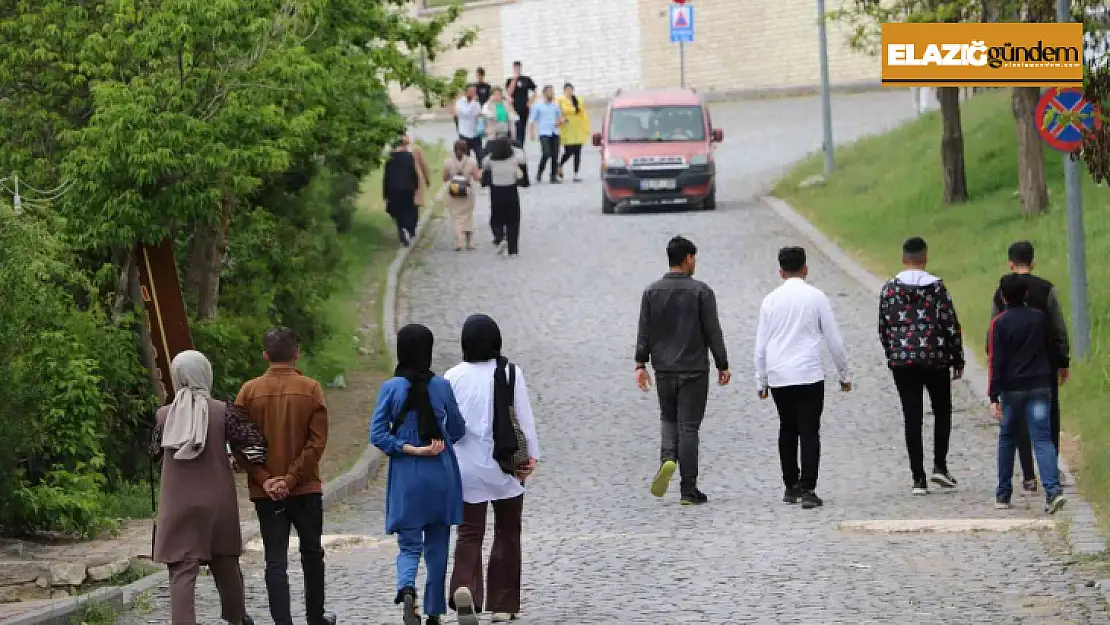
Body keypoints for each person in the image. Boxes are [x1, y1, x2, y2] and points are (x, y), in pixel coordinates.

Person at [150, 350, 267, 625]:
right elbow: (256, 449)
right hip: (218, 501)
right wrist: (238, 461)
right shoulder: (224, 412)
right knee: (225, 564)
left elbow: (154, 453)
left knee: (181, 571)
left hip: (177, 502)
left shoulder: (164, 416)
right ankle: (236, 619)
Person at [235, 327, 336, 625]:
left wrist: (265, 478)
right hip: (305, 487)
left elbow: (240, 443)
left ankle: (283, 621)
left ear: (265, 356)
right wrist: (291, 478)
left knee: (275, 558)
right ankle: (315, 617)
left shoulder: (248, 391)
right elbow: (316, 442)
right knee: (312, 552)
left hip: (264, 492)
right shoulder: (311, 388)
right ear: (297, 353)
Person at [446, 314, 540, 625]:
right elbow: (524, 420)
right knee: (507, 531)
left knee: (469, 532)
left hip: (465, 467)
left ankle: (464, 587)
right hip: (505, 465)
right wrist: (531, 457)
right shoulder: (511, 372)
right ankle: (503, 603)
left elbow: (446, 424)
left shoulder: (452, 376)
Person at [370, 324, 466, 625]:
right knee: (438, 547)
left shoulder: (391, 388)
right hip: (441, 473)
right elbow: (457, 429)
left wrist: (407, 447)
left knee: (409, 545)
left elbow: (378, 435)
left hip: (407, 476)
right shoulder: (442, 386)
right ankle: (434, 611)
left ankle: (406, 587)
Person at [635, 236, 730, 505]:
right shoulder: (701, 291)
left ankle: (667, 458)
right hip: (694, 370)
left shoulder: (651, 292)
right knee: (689, 427)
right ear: (687, 258)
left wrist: (640, 364)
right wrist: (722, 364)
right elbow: (713, 331)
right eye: (694, 258)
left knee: (668, 419)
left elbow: (644, 331)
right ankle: (688, 490)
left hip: (663, 369)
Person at [754, 247, 851, 510]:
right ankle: (809, 488)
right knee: (809, 430)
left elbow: (761, 344)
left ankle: (790, 486)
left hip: (779, 374)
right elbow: (833, 339)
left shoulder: (770, 301)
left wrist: (760, 380)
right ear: (805, 269)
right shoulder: (816, 297)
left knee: (787, 427)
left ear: (780, 271)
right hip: (808, 373)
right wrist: (844, 374)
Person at [878, 236, 965, 496]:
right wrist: (957, 357)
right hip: (935, 357)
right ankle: (940, 464)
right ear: (925, 258)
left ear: (903, 259)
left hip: (903, 361)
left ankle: (918, 477)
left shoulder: (890, 289)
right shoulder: (937, 287)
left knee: (912, 416)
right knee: (942, 411)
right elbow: (950, 323)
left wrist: (892, 353)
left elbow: (883, 327)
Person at [986, 240, 1070, 492]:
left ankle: (1028, 474)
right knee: (1048, 420)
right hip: (1043, 367)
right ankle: (1050, 470)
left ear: (1010, 263)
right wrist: (1063, 360)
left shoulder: (1002, 291)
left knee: (1018, 423)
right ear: (1033, 262)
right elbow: (1059, 328)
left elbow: (992, 331)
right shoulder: (1047, 289)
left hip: (1012, 369)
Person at [482, 133, 527, 258]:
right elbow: (522, 158)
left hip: (496, 191)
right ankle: (513, 249)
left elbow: (484, 163)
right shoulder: (513, 160)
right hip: (511, 190)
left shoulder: (491, 160)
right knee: (513, 220)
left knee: (497, 217)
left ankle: (500, 238)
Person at [444, 139, 481, 252]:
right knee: (468, 217)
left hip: (453, 193)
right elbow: (476, 177)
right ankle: (469, 243)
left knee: (456, 217)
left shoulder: (448, 162)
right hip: (467, 193)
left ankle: (459, 242)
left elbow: (445, 178)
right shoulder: (471, 161)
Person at [383, 137, 420, 247]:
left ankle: (402, 229)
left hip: (393, 189)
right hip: (408, 188)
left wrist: (385, 193)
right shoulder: (409, 157)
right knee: (409, 209)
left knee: (398, 212)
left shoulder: (389, 160)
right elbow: (413, 173)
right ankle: (409, 228)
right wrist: (416, 185)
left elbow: (386, 178)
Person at [528, 85, 564, 184]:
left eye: (552, 92)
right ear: (544, 93)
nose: (551, 94)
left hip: (555, 132)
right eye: (549, 92)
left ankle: (553, 176)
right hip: (544, 133)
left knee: (555, 155)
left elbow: (560, 118)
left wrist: (562, 121)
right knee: (546, 153)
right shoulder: (538, 106)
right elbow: (532, 120)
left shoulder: (556, 106)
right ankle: (540, 172)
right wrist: (531, 132)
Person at [556, 83, 589, 182]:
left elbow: (582, 112)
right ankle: (560, 165)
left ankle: (576, 174)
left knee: (578, 152)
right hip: (567, 129)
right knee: (569, 151)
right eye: (567, 90)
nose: (569, 91)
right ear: (564, 91)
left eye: (570, 89)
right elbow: (558, 113)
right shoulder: (560, 100)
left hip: (578, 128)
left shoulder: (578, 99)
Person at [505, 61, 536, 147]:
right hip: (514, 109)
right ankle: (516, 146)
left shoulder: (526, 79)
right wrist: (514, 79)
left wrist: (531, 101)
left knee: (522, 129)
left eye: (518, 68)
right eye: (515, 68)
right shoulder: (510, 80)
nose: (517, 69)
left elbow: (534, 90)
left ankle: (521, 147)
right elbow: (509, 92)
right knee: (516, 129)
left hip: (524, 108)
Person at [405, 133, 432, 214]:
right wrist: (427, 180)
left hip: (404, 181)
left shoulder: (395, 150)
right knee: (414, 202)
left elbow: (424, 165)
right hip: (415, 179)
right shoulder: (416, 148)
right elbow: (424, 165)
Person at [455, 84, 483, 161]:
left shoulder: (476, 103)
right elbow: (466, 112)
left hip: (475, 133)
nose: (474, 93)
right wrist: (473, 102)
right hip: (464, 133)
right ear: (466, 92)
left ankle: (480, 170)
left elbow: (479, 114)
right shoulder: (460, 103)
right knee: (465, 157)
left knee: (480, 155)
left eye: (475, 91)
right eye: (472, 91)